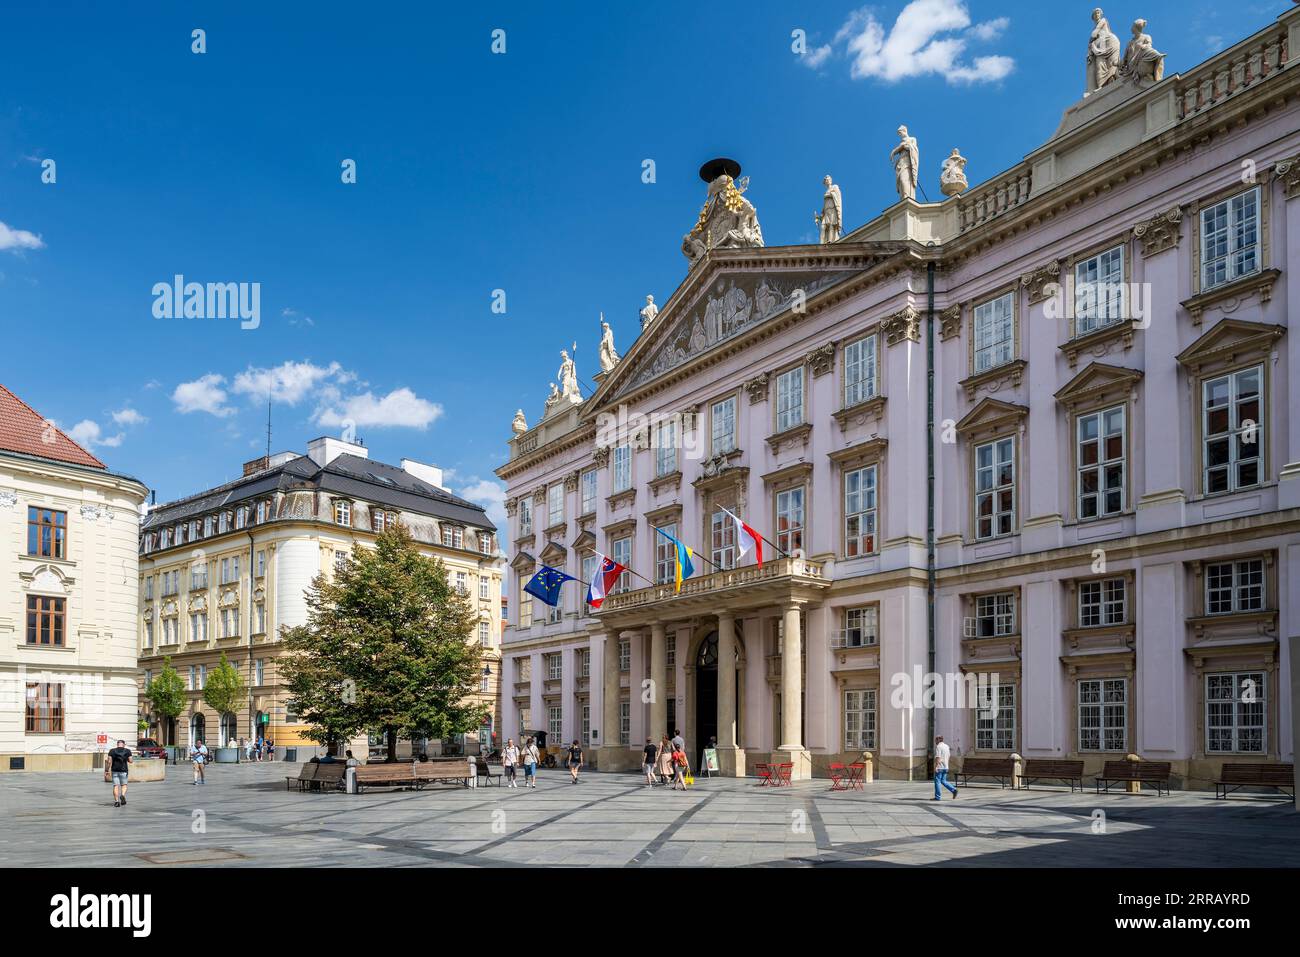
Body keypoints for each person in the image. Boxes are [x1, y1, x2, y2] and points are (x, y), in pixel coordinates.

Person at [107, 739, 132, 807]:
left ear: (117, 744)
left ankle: (117, 802)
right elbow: (130, 761)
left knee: (115, 786)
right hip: (124, 770)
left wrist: (107, 770)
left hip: (114, 770)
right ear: (124, 744)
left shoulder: (112, 751)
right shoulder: (127, 751)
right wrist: (126, 758)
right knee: (124, 785)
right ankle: (122, 795)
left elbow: (109, 761)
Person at [934, 735, 958, 801]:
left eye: (936, 740)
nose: (935, 741)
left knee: (937, 781)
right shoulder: (946, 746)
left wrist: (936, 767)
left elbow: (938, 757)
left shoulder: (938, 747)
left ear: (938, 740)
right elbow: (948, 756)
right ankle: (954, 790)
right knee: (943, 781)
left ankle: (937, 797)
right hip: (946, 766)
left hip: (940, 767)